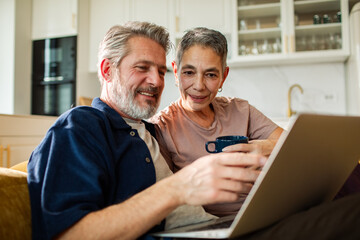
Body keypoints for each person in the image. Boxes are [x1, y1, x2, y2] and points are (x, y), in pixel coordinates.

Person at [27, 22, 265, 240]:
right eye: (143, 68)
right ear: (107, 70)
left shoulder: (150, 131)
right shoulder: (80, 126)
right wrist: (179, 187)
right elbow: (68, 235)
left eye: (161, 72)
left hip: (220, 229)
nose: (156, 81)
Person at [150, 27, 284, 216]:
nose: (199, 86)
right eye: (189, 72)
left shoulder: (240, 110)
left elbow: (295, 145)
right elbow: (168, 200)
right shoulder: (161, 127)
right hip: (211, 225)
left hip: (265, 212)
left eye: (211, 75)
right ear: (176, 71)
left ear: (223, 76)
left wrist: (265, 148)